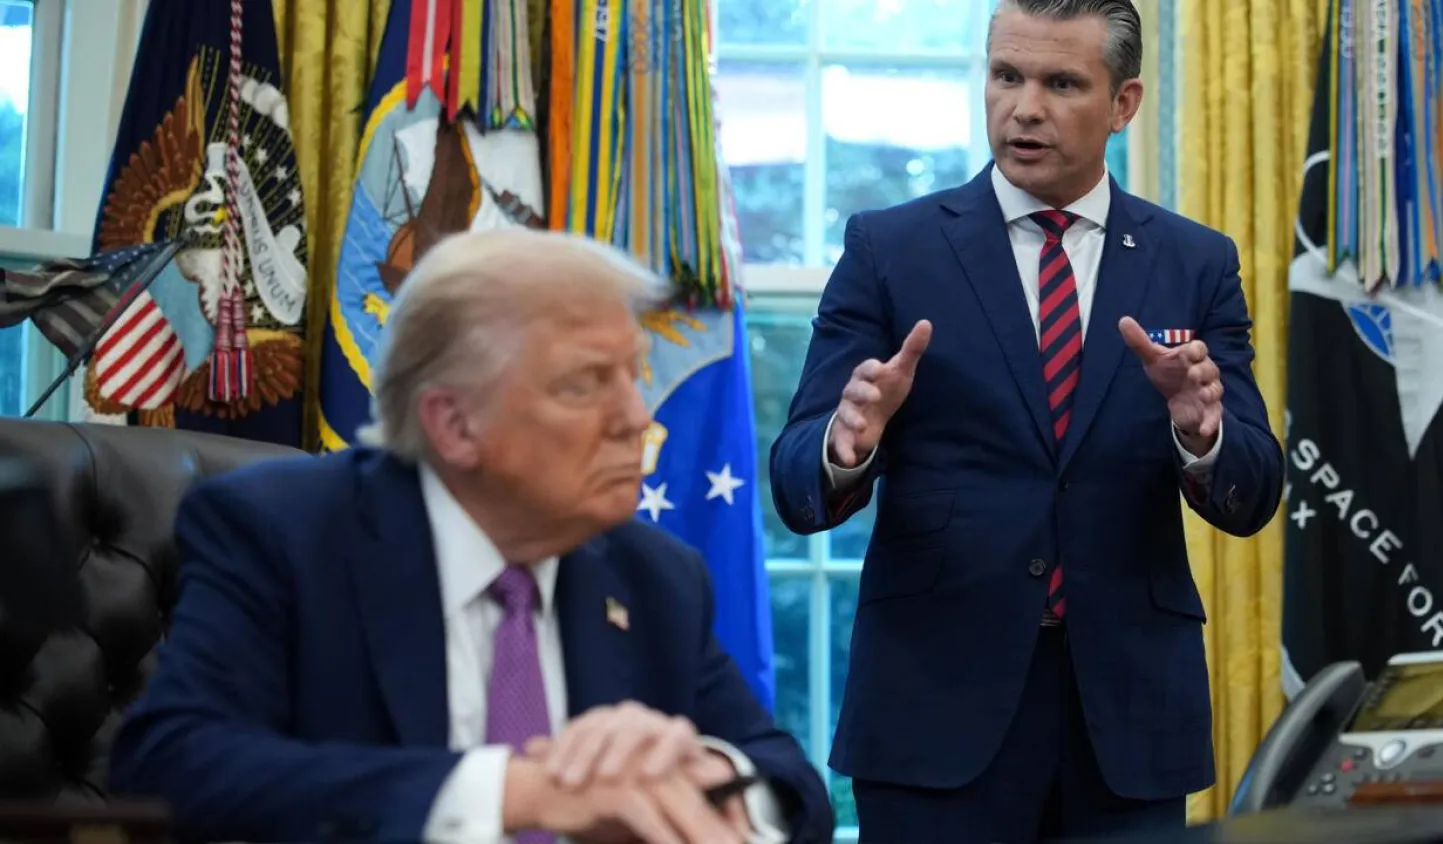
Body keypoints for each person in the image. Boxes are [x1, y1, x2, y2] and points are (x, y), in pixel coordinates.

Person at [111, 229, 835, 844]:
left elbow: (792, 785)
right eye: (585, 385)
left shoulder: (655, 575)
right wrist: (514, 792)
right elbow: (170, 765)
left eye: (634, 377)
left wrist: (708, 777)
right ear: (454, 425)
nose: (636, 418)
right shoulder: (287, 533)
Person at [768, 1, 1284, 841]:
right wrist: (846, 443)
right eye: (1007, 75)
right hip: (933, 715)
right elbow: (795, 485)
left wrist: (1200, 432)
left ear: (1124, 103)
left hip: (1127, 719)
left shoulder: (1195, 262)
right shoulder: (889, 250)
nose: (1025, 106)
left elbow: (1252, 492)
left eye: (1061, 82)